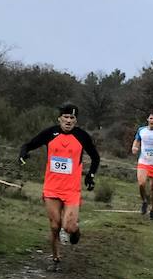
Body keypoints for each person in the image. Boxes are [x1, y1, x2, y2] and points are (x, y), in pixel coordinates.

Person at [18, 103, 99, 270]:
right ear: (60, 118)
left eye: (72, 118)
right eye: (66, 117)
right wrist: (23, 153)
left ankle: (75, 231)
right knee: (55, 226)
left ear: (76, 120)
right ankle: (55, 258)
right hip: (52, 188)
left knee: (68, 227)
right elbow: (29, 144)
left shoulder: (82, 136)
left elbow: (95, 157)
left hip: (71, 190)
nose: (68, 121)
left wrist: (90, 175)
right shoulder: (50, 133)